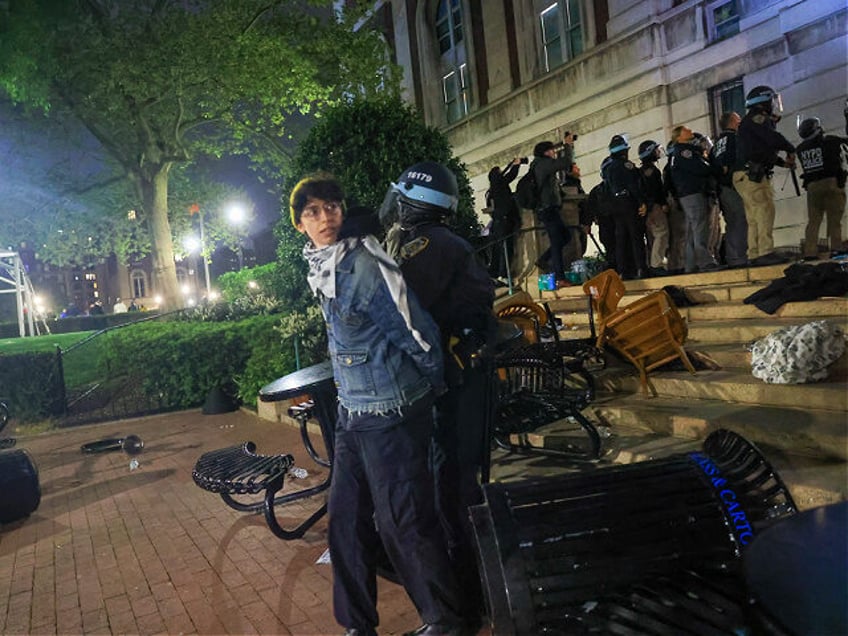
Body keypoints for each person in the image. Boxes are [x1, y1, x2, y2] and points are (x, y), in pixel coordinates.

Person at [290, 174, 465, 636]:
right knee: (345, 521)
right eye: (312, 212)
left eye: (331, 206)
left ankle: (446, 621)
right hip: (353, 411)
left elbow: (417, 332)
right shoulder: (323, 265)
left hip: (391, 410)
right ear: (299, 224)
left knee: (402, 523)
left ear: (343, 210)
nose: (325, 217)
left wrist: (429, 390)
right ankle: (357, 625)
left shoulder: (365, 262)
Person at [379, 161, 495, 633]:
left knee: (456, 492)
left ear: (412, 201)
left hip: (458, 387)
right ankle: (472, 597)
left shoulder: (428, 247)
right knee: (452, 487)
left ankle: (472, 601)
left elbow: (403, 313)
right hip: (456, 383)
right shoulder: (436, 244)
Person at [733, 85, 796, 266]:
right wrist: (790, 148)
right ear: (764, 101)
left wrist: (782, 163)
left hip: (744, 174)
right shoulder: (757, 118)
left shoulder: (749, 122)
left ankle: (754, 253)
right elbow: (771, 138)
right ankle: (765, 252)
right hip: (752, 175)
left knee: (753, 217)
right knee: (765, 211)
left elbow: (761, 150)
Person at [669, 125, 722, 273]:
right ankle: (705, 262)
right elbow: (700, 168)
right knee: (700, 228)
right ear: (679, 137)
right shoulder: (684, 151)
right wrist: (708, 162)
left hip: (687, 194)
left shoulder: (678, 152)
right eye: (686, 130)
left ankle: (690, 264)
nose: (690, 130)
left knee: (693, 230)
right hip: (693, 193)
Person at [796, 117, 847, 259]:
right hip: (831, 183)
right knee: (834, 218)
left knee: (813, 221)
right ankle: (836, 248)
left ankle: (810, 252)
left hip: (812, 187)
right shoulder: (830, 141)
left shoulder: (800, 149)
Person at [531, 133, 577, 287]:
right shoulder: (542, 164)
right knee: (557, 241)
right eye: (551, 150)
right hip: (547, 209)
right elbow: (565, 162)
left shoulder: (541, 165)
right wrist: (568, 145)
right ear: (545, 153)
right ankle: (560, 278)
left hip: (550, 208)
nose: (553, 153)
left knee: (564, 237)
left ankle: (544, 260)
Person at [604, 134, 647, 279]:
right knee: (636, 237)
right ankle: (641, 268)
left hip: (616, 205)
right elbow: (633, 185)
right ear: (624, 151)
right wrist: (641, 202)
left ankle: (622, 271)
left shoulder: (608, 168)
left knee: (621, 239)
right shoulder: (627, 165)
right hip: (628, 203)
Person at [709, 111, 749, 268]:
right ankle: (740, 257)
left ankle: (733, 256)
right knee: (741, 220)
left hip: (721, 188)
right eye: (738, 120)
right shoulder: (734, 139)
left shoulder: (716, 144)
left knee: (732, 222)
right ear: (732, 122)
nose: (740, 123)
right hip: (734, 185)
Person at [485, 158, 523, 280]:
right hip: (505, 220)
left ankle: (495, 273)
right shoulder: (499, 184)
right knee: (507, 247)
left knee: (498, 248)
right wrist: (516, 165)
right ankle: (504, 274)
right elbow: (510, 176)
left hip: (498, 221)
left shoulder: (493, 189)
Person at [637, 140, 670, 276]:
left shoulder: (639, 171)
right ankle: (656, 264)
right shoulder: (653, 171)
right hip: (654, 207)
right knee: (662, 232)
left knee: (652, 236)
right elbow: (657, 190)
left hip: (644, 209)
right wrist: (663, 203)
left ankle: (651, 264)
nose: (658, 153)